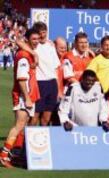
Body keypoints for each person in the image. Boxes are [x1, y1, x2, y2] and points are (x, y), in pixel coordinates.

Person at [0, 29, 41, 168]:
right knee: (19, 125)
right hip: (24, 96)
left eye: (37, 39)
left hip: (29, 95)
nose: (36, 41)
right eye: (33, 39)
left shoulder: (28, 54)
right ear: (27, 40)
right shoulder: (24, 56)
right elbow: (22, 79)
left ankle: (12, 153)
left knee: (22, 126)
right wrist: (27, 98)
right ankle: (4, 155)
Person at [16, 22, 61, 126]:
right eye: (40, 33)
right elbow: (18, 41)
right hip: (39, 83)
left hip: (52, 83)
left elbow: (56, 68)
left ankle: (42, 140)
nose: (42, 35)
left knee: (46, 118)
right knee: (34, 117)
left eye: (44, 32)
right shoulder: (34, 45)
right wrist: (34, 53)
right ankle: (27, 140)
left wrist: (58, 88)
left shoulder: (50, 45)